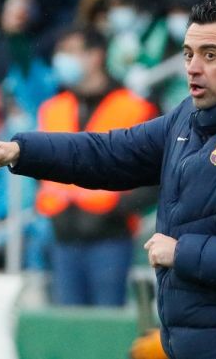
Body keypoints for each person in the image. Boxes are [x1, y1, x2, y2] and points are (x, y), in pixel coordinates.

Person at [0, 0, 216, 359]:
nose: (194, 68)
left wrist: (181, 251)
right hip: (192, 344)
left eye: (211, 55)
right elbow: (110, 152)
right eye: (189, 54)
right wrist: (22, 151)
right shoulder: (187, 117)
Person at [40, 27, 158, 306]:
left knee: (106, 328)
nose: (62, 59)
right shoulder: (53, 107)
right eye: (60, 52)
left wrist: (118, 207)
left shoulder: (134, 107)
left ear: (95, 56)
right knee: (69, 331)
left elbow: (156, 173)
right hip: (63, 234)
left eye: (71, 51)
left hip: (110, 236)